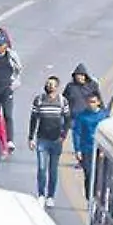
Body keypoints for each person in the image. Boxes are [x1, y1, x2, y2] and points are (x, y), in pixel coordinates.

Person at [27, 76, 68, 207]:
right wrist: (31, 137)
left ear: (57, 87)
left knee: (53, 169)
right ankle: (41, 194)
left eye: (53, 84)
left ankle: (51, 195)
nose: (50, 86)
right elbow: (33, 119)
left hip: (56, 140)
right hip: (42, 139)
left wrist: (63, 135)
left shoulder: (62, 101)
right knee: (42, 168)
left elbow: (67, 119)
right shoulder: (38, 100)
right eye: (48, 84)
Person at [72, 92, 109, 199]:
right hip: (86, 149)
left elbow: (107, 133)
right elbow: (77, 133)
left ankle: (99, 196)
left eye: (93, 102)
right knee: (88, 173)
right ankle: (89, 197)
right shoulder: (82, 116)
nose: (91, 104)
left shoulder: (104, 116)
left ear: (98, 102)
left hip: (100, 149)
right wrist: (77, 149)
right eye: (89, 102)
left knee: (99, 174)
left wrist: (104, 149)